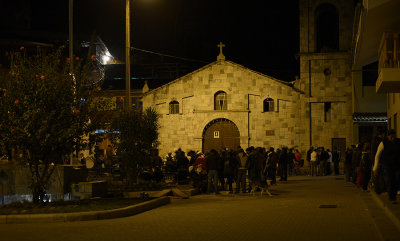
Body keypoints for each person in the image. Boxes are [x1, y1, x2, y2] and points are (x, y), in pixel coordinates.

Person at [373, 129, 400, 204]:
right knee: (389, 180)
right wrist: (375, 168)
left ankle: (393, 194)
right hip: (386, 165)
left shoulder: (398, 142)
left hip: (397, 165)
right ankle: (392, 197)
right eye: (390, 135)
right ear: (388, 136)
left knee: (397, 179)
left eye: (393, 135)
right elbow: (377, 155)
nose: (392, 137)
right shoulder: (383, 143)